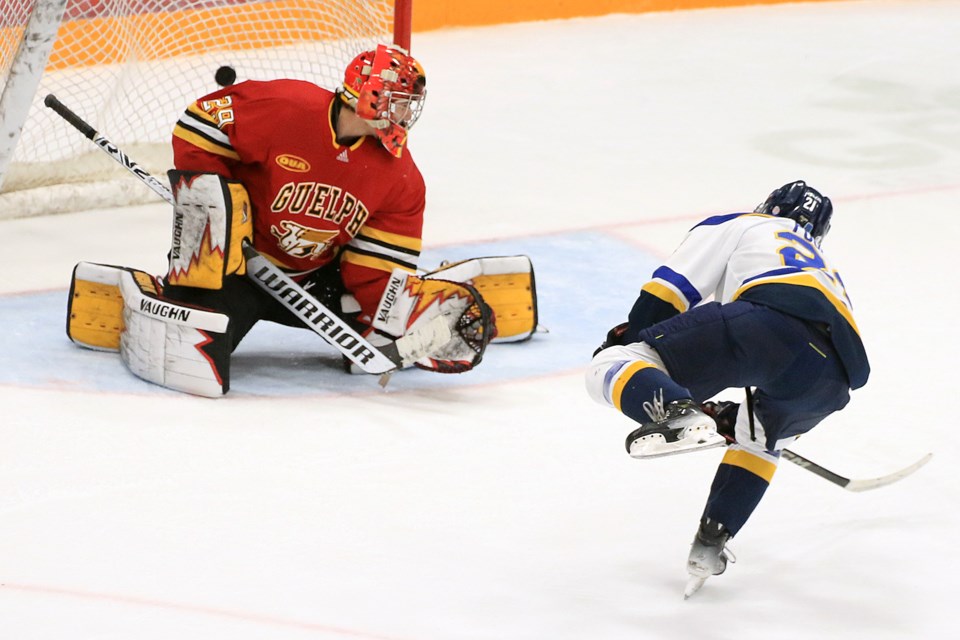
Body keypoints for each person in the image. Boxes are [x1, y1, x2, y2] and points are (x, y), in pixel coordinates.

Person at [65, 44, 516, 397]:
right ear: (370, 94)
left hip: (312, 283)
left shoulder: (401, 179)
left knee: (381, 322)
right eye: (399, 101)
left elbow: (373, 271)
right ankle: (150, 296)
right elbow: (198, 124)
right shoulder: (286, 106)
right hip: (233, 270)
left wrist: (411, 313)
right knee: (199, 357)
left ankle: (428, 287)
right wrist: (220, 208)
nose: (405, 113)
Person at [584, 180, 869, 596]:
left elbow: (670, 290)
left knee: (610, 367)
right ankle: (712, 540)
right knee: (757, 437)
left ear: (767, 206)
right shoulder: (823, 268)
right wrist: (730, 417)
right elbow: (800, 346)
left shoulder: (744, 225)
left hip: (766, 326)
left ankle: (677, 410)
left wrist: (630, 342)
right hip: (831, 381)